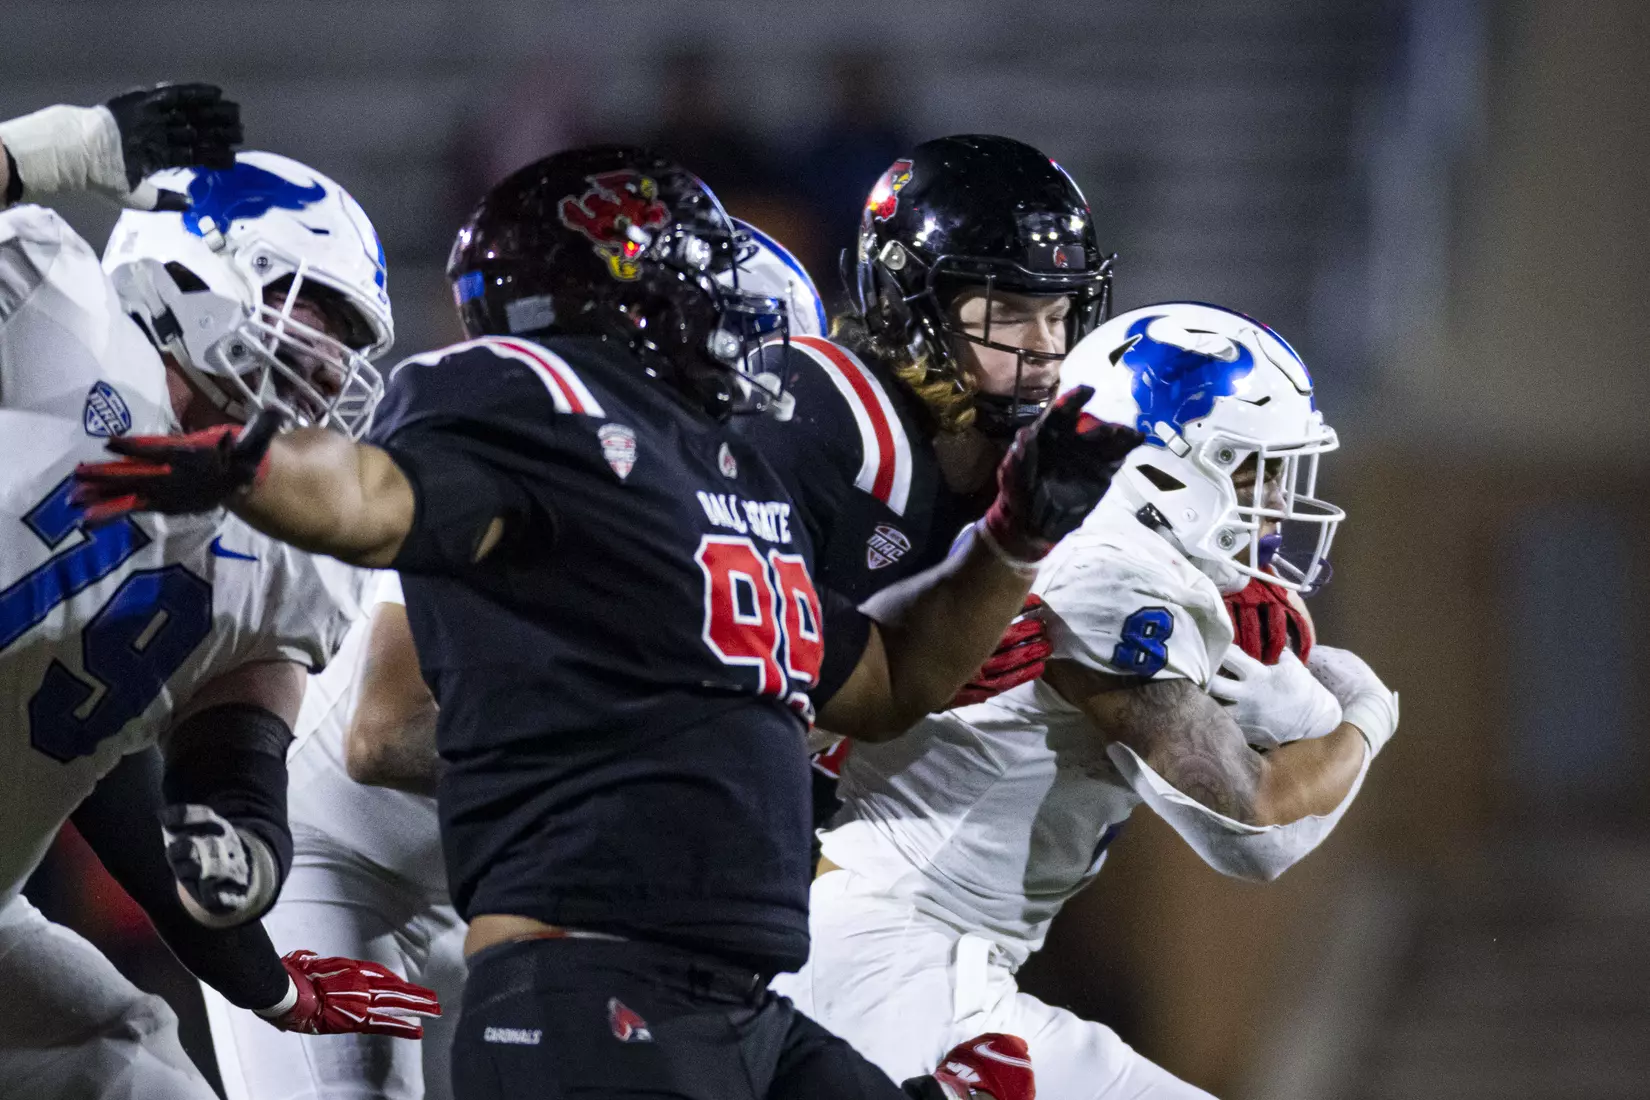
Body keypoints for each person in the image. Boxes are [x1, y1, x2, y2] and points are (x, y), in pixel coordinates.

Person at [73, 145, 1144, 1100]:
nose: (755, 363)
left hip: (594, 912)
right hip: (354, 865)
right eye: (718, 313)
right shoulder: (546, 435)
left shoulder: (721, 498)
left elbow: (870, 680)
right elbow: (381, 702)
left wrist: (1010, 542)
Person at [197, 218, 823, 1100]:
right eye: (735, 347)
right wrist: (655, 759)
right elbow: (382, 736)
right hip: (341, 865)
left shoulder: (725, 507)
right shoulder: (536, 455)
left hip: (511, 887)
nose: (754, 385)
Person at [775, 303, 1402, 1097]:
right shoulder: (1110, 574)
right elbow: (1251, 824)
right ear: (1161, 467)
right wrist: (1367, 715)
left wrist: (1301, 704)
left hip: (917, 957)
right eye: (1252, 469)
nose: (1274, 504)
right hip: (895, 963)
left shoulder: (1113, 555)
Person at [0, 89, 434, 1099]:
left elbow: (226, 757)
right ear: (193, 259)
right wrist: (50, 151)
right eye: (313, 307)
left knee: (130, 1071)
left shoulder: (285, 545)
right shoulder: (43, 298)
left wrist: (244, 862)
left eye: (347, 340)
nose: (329, 360)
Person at [739, 133, 1116, 825]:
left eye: (1059, 313)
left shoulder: (1056, 458)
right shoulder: (822, 408)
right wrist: (934, 659)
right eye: (1008, 312)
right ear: (906, 304)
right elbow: (734, 670)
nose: (1044, 347)